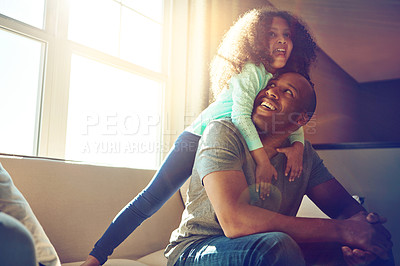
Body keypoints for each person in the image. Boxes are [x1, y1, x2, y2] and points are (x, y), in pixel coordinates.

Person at [82, 7, 317, 265]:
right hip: (198, 137)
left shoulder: (279, 80)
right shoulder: (251, 71)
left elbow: (294, 118)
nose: (281, 40)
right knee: (149, 200)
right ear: (257, 40)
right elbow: (240, 116)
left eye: (286, 35)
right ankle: (96, 257)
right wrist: (262, 160)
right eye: (272, 34)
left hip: (224, 143)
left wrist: (297, 145)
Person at [165, 72, 394, 265]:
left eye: (288, 92)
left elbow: (346, 209)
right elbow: (235, 221)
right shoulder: (223, 132)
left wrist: (365, 233)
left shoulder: (303, 155)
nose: (271, 91)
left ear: (301, 119)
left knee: (377, 243)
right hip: (195, 249)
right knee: (276, 245)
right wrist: (344, 231)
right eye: (271, 85)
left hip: (268, 246)